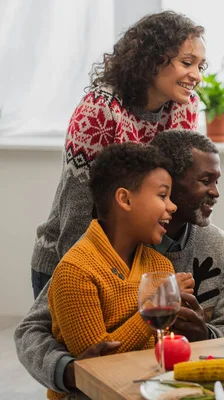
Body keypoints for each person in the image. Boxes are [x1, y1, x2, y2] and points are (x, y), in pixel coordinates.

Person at [15, 130, 224, 396]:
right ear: (168, 181)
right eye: (205, 180)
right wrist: (71, 371)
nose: (216, 192)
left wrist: (204, 334)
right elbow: (33, 329)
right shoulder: (101, 250)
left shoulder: (218, 246)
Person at [31, 10, 206, 298]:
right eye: (187, 63)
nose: (196, 76)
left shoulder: (186, 108)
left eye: (200, 66)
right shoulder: (100, 108)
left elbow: (176, 194)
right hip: (71, 261)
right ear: (152, 61)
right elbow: (78, 209)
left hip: (137, 264)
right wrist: (77, 277)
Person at [46, 143, 181, 399]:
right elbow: (97, 368)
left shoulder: (160, 266)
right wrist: (154, 309)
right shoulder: (75, 271)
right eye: (163, 196)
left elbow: (160, 354)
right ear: (125, 199)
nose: (172, 206)